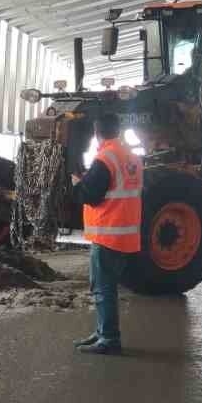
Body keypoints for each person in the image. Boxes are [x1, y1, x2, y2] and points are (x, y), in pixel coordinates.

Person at [70, 112, 142, 355]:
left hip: (107, 234)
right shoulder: (132, 157)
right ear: (118, 131)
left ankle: (109, 339)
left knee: (103, 288)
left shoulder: (105, 158)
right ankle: (102, 332)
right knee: (107, 286)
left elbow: (90, 195)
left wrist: (76, 183)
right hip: (126, 234)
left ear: (96, 133)